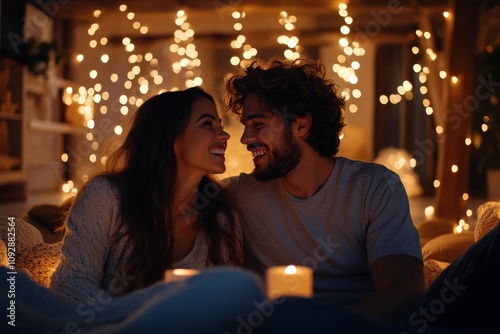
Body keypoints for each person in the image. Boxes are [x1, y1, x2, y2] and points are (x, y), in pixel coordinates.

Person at [223, 57, 500, 333]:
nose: (245, 139)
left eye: (257, 124)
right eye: (245, 126)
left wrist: (331, 328)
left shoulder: (374, 186)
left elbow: (404, 290)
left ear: (301, 126)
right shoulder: (237, 194)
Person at [0, 87, 267, 333]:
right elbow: (71, 284)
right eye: (208, 124)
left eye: (220, 125)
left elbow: (218, 304)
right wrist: (137, 318)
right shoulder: (107, 195)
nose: (224, 134)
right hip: (89, 325)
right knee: (7, 286)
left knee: (241, 287)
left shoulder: (221, 216)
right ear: (170, 137)